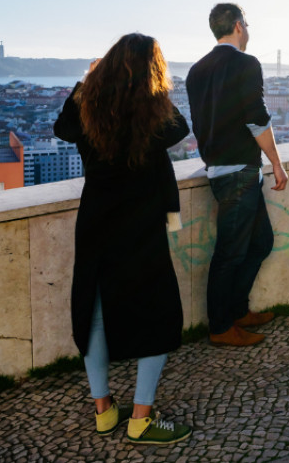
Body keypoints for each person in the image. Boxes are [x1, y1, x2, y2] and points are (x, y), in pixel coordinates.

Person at [54, 33, 192, 445]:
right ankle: (142, 417)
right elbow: (180, 129)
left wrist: (87, 82)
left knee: (93, 310)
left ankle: (103, 410)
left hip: (96, 218)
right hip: (142, 221)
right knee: (160, 312)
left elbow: (62, 129)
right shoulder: (152, 112)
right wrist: (157, 91)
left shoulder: (87, 108)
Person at [186, 3, 288, 348]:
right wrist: (276, 160)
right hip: (240, 170)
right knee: (230, 253)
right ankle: (220, 327)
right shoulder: (247, 63)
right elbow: (256, 118)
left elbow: (199, 123)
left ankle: (238, 310)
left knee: (260, 243)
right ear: (239, 26)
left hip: (219, 168)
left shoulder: (196, 71)